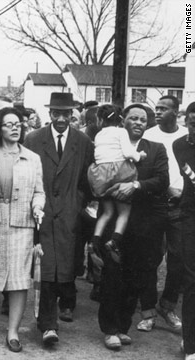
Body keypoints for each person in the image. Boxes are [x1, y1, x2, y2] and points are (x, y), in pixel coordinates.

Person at [96, 103, 169, 350]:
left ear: (147, 124)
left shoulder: (156, 150)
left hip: (142, 225)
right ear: (122, 120)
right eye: (133, 118)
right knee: (111, 277)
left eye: (143, 119)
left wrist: (135, 186)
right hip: (114, 225)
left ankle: (123, 326)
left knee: (134, 279)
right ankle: (110, 329)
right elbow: (94, 174)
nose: (138, 122)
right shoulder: (108, 144)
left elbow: (161, 180)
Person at [23, 92, 94, 346]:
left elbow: (88, 179)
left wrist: (76, 203)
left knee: (66, 267)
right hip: (41, 210)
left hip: (69, 214)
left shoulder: (83, 141)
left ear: (73, 113)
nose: (61, 118)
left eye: (66, 113)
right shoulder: (33, 139)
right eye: (57, 113)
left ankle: (63, 308)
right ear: (49, 114)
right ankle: (48, 325)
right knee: (45, 267)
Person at [0, 107, 45, 352]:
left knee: (18, 279)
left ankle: (13, 331)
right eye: (8, 124)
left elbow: (39, 191)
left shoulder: (32, 158)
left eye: (18, 124)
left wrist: (38, 207)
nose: (15, 127)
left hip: (22, 224)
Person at [137, 95, 187, 332]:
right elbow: (145, 171)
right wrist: (167, 187)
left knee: (178, 259)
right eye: (156, 108)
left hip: (182, 205)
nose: (157, 112)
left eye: (163, 109)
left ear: (176, 113)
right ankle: (147, 310)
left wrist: (184, 192)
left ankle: (167, 305)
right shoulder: (148, 136)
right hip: (154, 203)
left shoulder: (187, 135)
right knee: (149, 257)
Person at [87, 104, 146, 263]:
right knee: (123, 213)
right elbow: (127, 152)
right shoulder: (121, 132)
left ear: (100, 120)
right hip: (119, 172)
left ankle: (94, 241)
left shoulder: (99, 135)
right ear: (120, 119)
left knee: (107, 213)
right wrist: (139, 156)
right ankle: (114, 241)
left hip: (100, 175)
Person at [174, 101, 195, 360]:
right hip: (191, 217)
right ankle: (190, 343)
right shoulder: (179, 146)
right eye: (192, 121)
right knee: (192, 281)